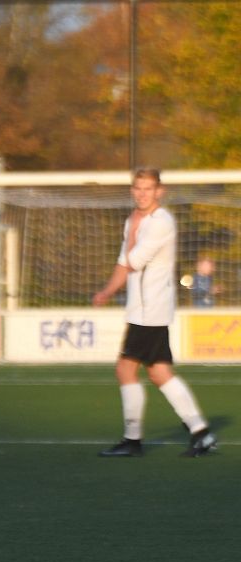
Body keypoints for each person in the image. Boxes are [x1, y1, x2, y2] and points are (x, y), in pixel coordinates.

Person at [93, 167, 217, 458]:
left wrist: (133, 232)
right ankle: (201, 433)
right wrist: (108, 291)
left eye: (148, 188)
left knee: (125, 369)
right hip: (143, 309)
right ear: (132, 190)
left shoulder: (161, 222)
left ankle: (132, 439)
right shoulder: (134, 221)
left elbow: (132, 261)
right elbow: (123, 261)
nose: (142, 194)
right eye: (137, 188)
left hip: (151, 310)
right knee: (160, 373)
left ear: (159, 191)